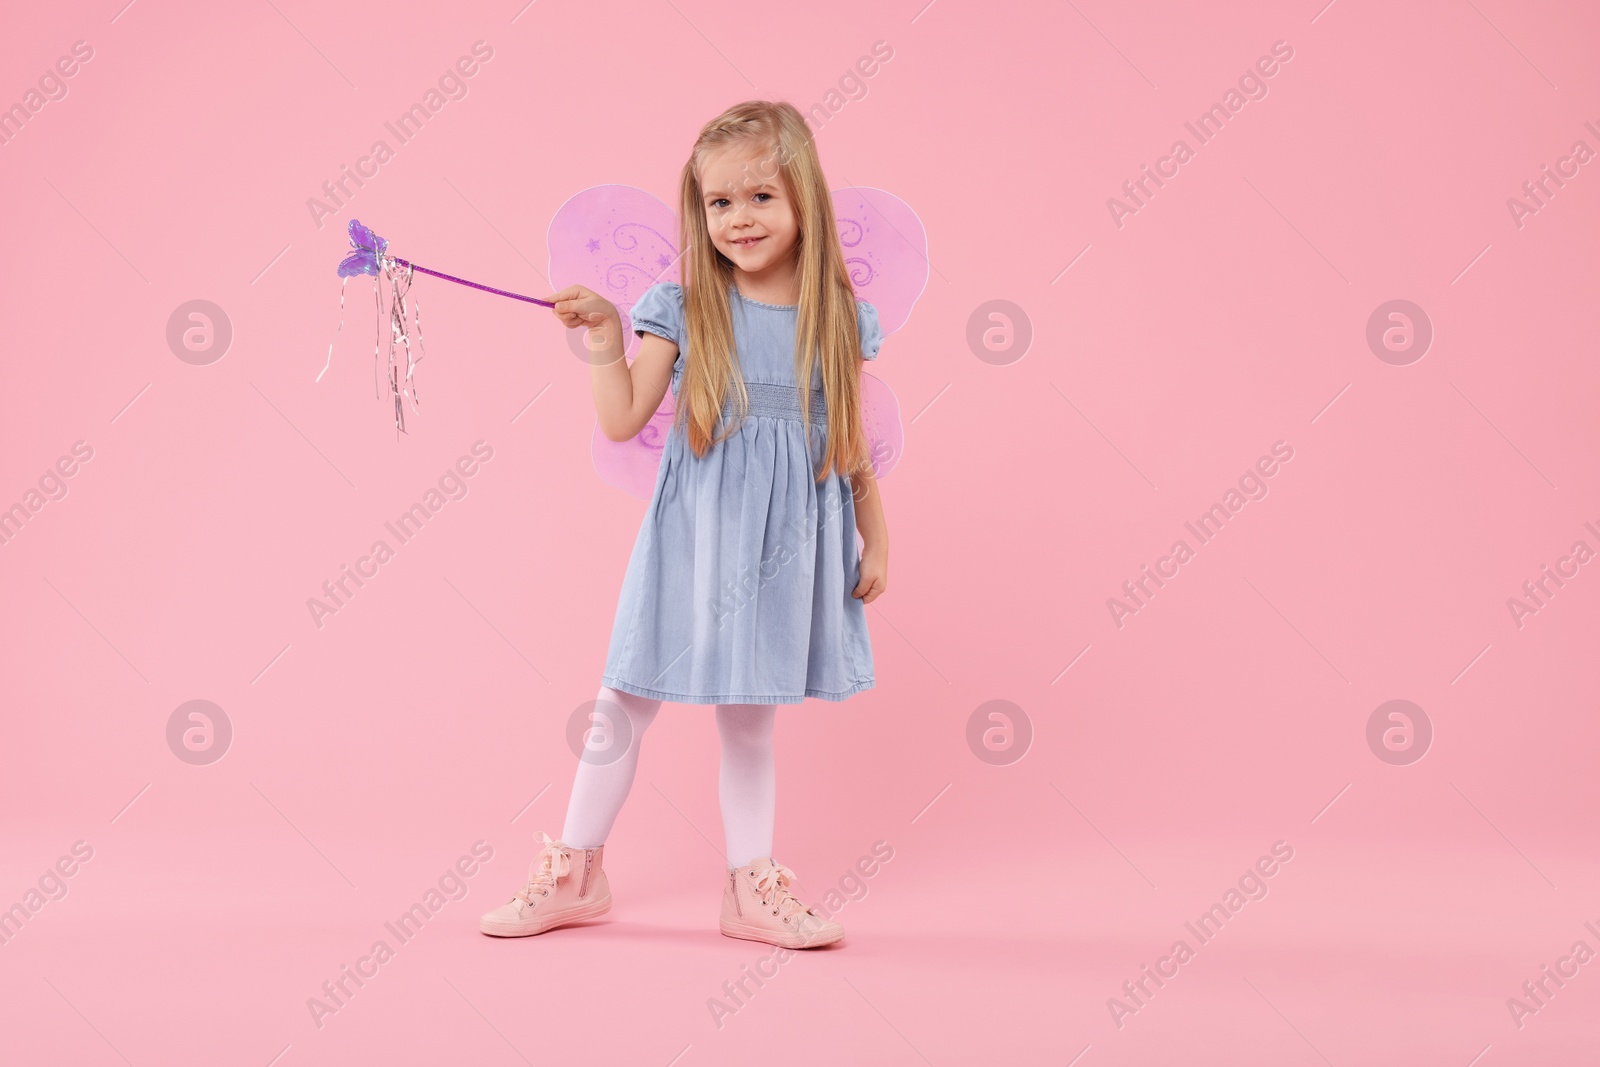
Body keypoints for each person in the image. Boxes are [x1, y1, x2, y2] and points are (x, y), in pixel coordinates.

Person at [479, 100, 889, 950]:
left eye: (761, 197)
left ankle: (750, 888)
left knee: (749, 717)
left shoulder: (835, 319)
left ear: (804, 199)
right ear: (699, 213)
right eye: (719, 203)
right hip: (692, 540)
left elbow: (847, 441)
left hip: (783, 549)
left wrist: (875, 533)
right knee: (623, 700)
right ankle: (577, 872)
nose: (739, 218)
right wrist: (603, 339)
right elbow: (625, 414)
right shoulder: (686, 305)